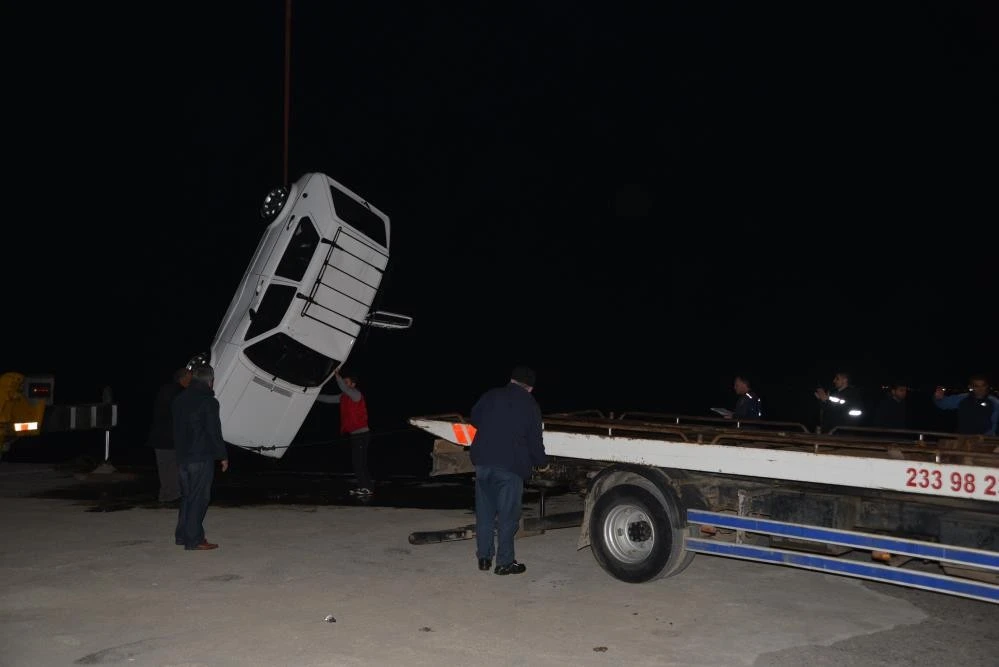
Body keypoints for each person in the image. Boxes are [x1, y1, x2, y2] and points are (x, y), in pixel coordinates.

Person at [469, 365, 547, 575]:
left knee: (484, 515)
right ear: (529, 388)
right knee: (507, 517)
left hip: (483, 464)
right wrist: (541, 462)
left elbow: (474, 418)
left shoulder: (491, 395)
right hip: (510, 467)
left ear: (511, 380)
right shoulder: (531, 405)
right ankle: (504, 562)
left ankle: (484, 559)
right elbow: (535, 441)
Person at [171, 364, 229, 550]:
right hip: (200, 456)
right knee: (199, 498)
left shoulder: (178, 400)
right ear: (210, 381)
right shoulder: (209, 402)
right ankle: (194, 539)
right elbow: (214, 431)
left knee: (187, 496)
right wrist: (222, 455)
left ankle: (182, 534)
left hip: (182, 456)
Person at [316, 368, 373, 495]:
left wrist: (337, 375)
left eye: (347, 382)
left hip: (362, 434)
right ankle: (366, 487)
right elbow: (328, 399)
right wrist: (313, 396)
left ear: (353, 384)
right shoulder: (343, 397)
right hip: (355, 435)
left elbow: (344, 388)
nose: (345, 384)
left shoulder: (356, 394)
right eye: (344, 382)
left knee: (359, 463)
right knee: (360, 463)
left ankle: (366, 488)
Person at [144, 368, 191, 503]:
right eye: (190, 377)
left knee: (168, 468)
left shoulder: (169, 390)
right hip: (167, 438)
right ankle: (171, 496)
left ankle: (167, 496)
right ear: (183, 378)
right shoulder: (175, 392)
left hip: (164, 437)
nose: (192, 380)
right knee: (170, 468)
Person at [933, 374, 999, 436]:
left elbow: (995, 423)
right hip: (963, 437)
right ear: (970, 387)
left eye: (983, 385)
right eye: (976, 386)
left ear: (987, 386)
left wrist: (987, 436)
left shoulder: (994, 402)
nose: (980, 389)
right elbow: (943, 404)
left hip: (986, 439)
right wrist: (938, 398)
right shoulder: (962, 398)